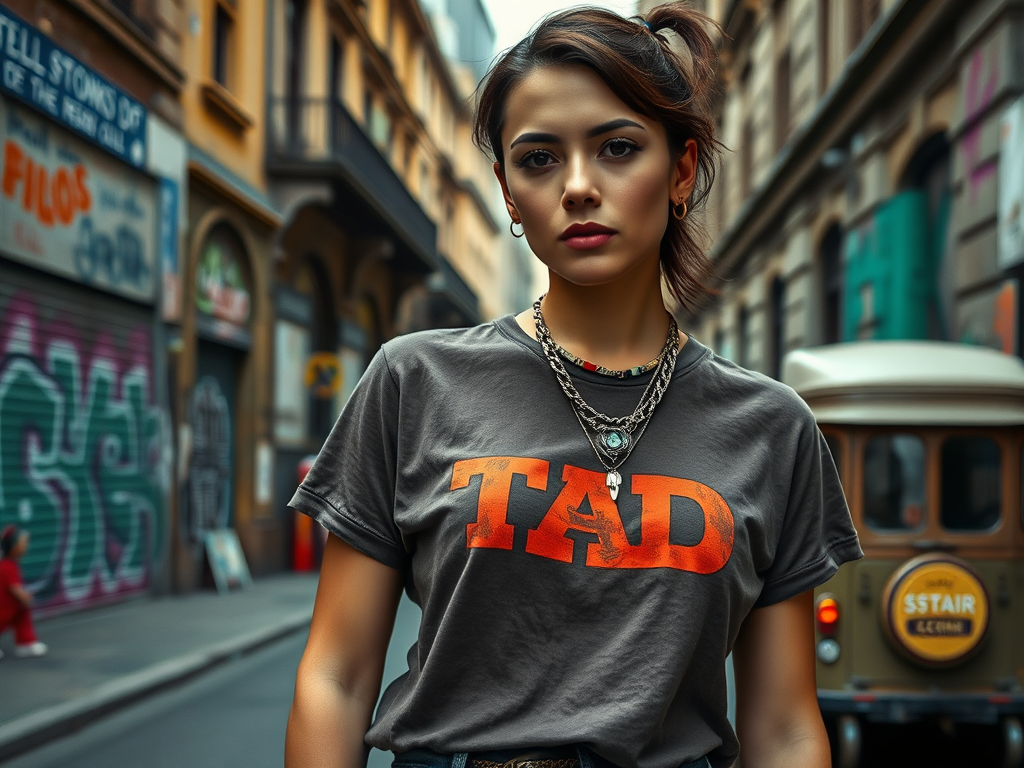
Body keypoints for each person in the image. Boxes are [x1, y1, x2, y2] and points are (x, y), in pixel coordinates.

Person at [285, 4, 862, 768]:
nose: (579, 187)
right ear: (508, 193)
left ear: (681, 170)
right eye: (539, 159)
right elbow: (337, 674)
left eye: (618, 148)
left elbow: (785, 727)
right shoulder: (411, 381)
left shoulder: (772, 426)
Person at [0, 525, 48, 660]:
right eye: (24, 542)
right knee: (22, 607)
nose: (26, 546)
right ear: (12, 545)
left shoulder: (11, 564)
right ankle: (25, 643)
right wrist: (26, 597)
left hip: (10, 608)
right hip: (3, 609)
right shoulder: (7, 565)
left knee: (22, 612)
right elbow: (14, 588)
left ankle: (25, 642)